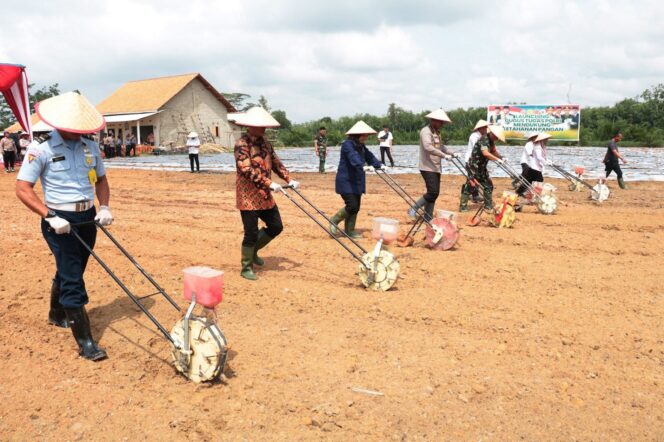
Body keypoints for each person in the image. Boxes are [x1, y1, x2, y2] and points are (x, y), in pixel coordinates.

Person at [15, 91, 112, 361]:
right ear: (58, 124)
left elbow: (101, 180)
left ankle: (56, 313)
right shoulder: (41, 148)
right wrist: (49, 215)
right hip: (58, 222)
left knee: (73, 268)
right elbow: (23, 188)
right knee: (73, 278)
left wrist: (104, 206)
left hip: (87, 219)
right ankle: (87, 343)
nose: (75, 132)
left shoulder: (90, 146)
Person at [233, 106, 300, 281]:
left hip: (264, 194)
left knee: (276, 226)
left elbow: (276, 163)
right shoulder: (241, 145)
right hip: (248, 195)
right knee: (251, 232)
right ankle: (246, 266)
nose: (263, 129)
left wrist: (288, 179)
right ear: (249, 126)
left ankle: (254, 251)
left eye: (264, 126)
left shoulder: (266, 144)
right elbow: (246, 169)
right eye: (260, 126)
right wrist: (269, 183)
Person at [329, 121, 383, 238]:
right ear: (357, 135)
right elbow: (353, 157)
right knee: (352, 205)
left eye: (367, 136)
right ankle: (334, 220)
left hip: (357, 181)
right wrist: (363, 166)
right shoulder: (347, 145)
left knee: (356, 207)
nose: (366, 138)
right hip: (346, 180)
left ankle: (349, 230)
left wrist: (379, 165)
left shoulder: (361, 146)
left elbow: (370, 156)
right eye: (364, 135)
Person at [407, 109, 455, 221]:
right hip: (427, 167)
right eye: (440, 122)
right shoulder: (426, 131)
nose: (442, 124)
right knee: (432, 192)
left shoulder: (437, 132)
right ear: (434, 120)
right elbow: (428, 147)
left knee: (434, 193)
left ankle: (428, 217)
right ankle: (413, 208)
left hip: (436, 167)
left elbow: (441, 147)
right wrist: (444, 156)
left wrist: (452, 153)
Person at [459, 124, 506, 212]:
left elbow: (494, 151)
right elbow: (485, 153)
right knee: (470, 186)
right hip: (474, 166)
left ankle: (488, 206)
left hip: (482, 167)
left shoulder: (491, 142)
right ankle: (463, 207)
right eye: (497, 137)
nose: (497, 139)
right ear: (493, 134)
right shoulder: (484, 139)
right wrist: (497, 160)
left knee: (488, 185)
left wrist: (501, 157)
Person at [464, 120, 490, 203]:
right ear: (480, 128)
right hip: (470, 160)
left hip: (477, 160)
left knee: (474, 178)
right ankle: (472, 196)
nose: (486, 129)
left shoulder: (483, 136)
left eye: (486, 127)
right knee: (472, 179)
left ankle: (473, 195)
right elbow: (479, 147)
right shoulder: (474, 136)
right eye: (485, 127)